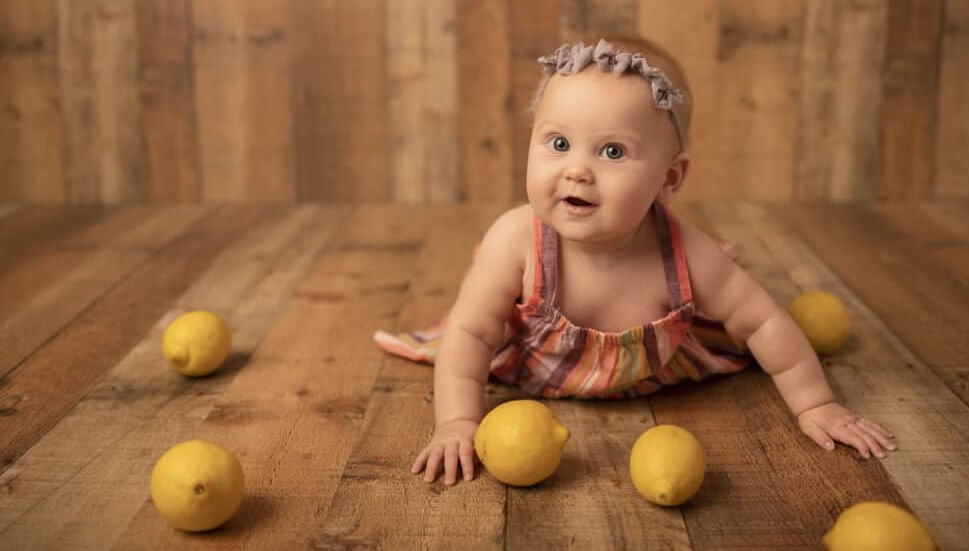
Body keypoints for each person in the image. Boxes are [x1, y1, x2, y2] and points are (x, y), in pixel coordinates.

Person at [373, 36, 896, 486]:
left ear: (669, 179)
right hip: (532, 372)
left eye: (613, 152)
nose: (577, 170)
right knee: (479, 291)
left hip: (657, 374)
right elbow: (470, 333)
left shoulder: (684, 253)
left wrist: (816, 404)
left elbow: (762, 321)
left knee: (727, 289)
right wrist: (457, 422)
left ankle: (724, 271)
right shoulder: (518, 238)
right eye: (558, 143)